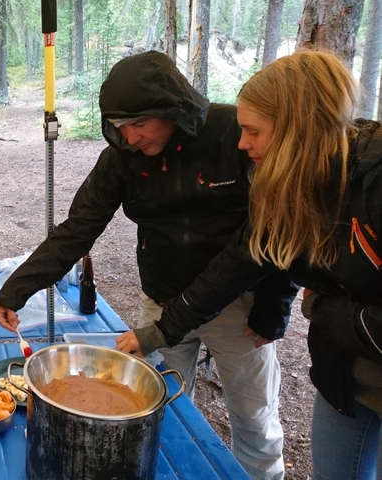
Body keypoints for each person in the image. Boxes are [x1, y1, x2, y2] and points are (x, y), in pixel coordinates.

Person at [0, 51, 296, 479]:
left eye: (139, 123)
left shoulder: (236, 136)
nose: (129, 137)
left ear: (173, 109)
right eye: (119, 126)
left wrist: (273, 309)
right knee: (158, 406)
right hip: (163, 299)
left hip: (237, 304)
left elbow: (276, 233)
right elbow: (78, 228)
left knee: (253, 415)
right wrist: (15, 289)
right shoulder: (123, 157)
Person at [117, 50, 382, 480]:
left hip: (359, 349)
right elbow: (240, 261)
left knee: (257, 424)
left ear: (299, 129)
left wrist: (321, 311)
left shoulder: (372, 179)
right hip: (345, 374)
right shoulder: (292, 185)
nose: (241, 144)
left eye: (253, 131)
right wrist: (162, 331)